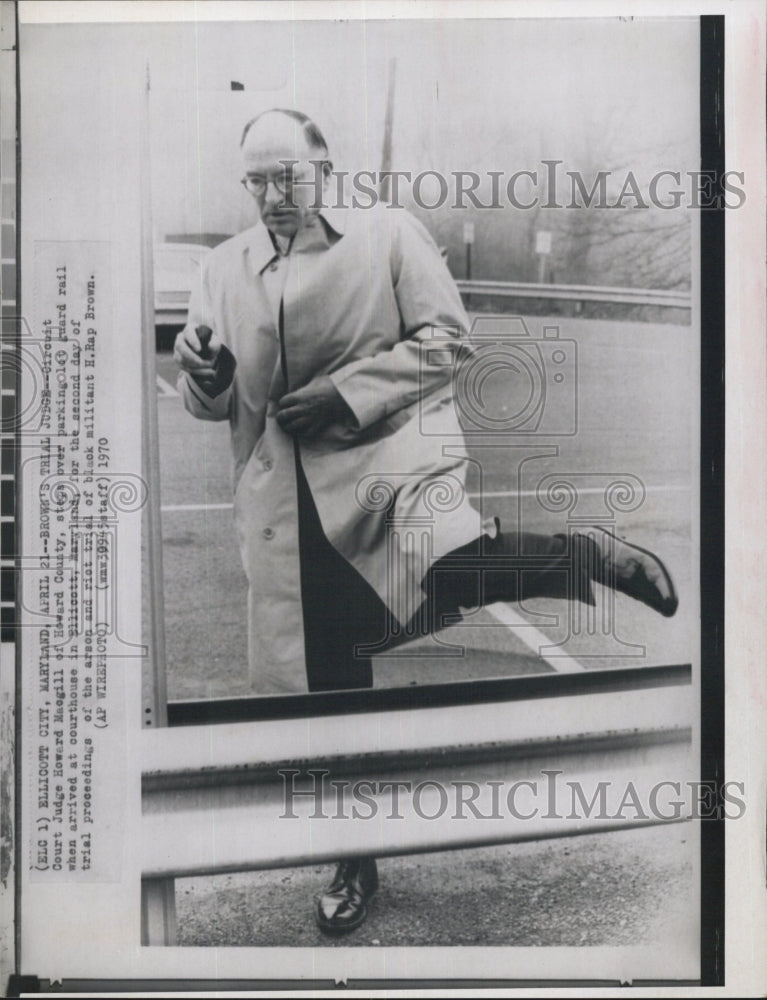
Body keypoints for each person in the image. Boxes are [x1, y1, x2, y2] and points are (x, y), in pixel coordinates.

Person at [174, 108, 678, 935]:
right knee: (332, 690)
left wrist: (346, 395)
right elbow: (213, 401)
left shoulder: (385, 236)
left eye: (286, 176)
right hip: (283, 508)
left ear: (323, 168)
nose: (272, 196)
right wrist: (206, 374)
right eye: (256, 181)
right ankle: (354, 858)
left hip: (388, 474)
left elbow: (448, 341)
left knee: (453, 574)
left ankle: (584, 556)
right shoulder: (224, 270)